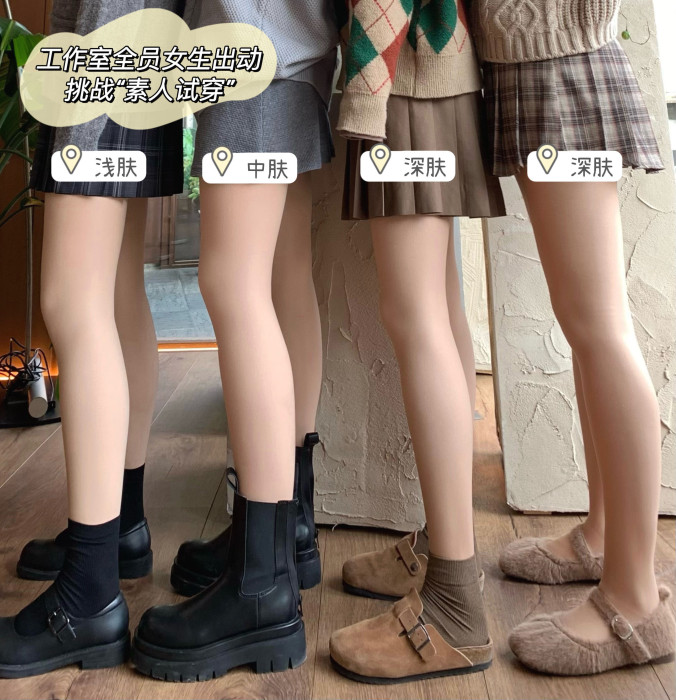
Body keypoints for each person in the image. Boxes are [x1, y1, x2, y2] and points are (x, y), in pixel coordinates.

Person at [128, 0, 339, 682]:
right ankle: (284, 532)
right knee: (281, 278)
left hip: (252, 54)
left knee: (235, 283)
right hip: (295, 58)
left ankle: (261, 584)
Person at [0, 0, 186, 679]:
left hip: (105, 43)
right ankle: (119, 527)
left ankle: (89, 594)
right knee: (116, 292)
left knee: (73, 300)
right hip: (140, 44)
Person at [468, 0, 675, 674]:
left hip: (563, 69)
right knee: (588, 327)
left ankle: (635, 600)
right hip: (542, 66)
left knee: (600, 329)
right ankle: (604, 535)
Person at [327, 0, 505, 684]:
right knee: (438, 306)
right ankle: (442, 547)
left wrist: (364, 98)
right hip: (433, 72)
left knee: (416, 315)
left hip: (405, 74)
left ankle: (455, 603)